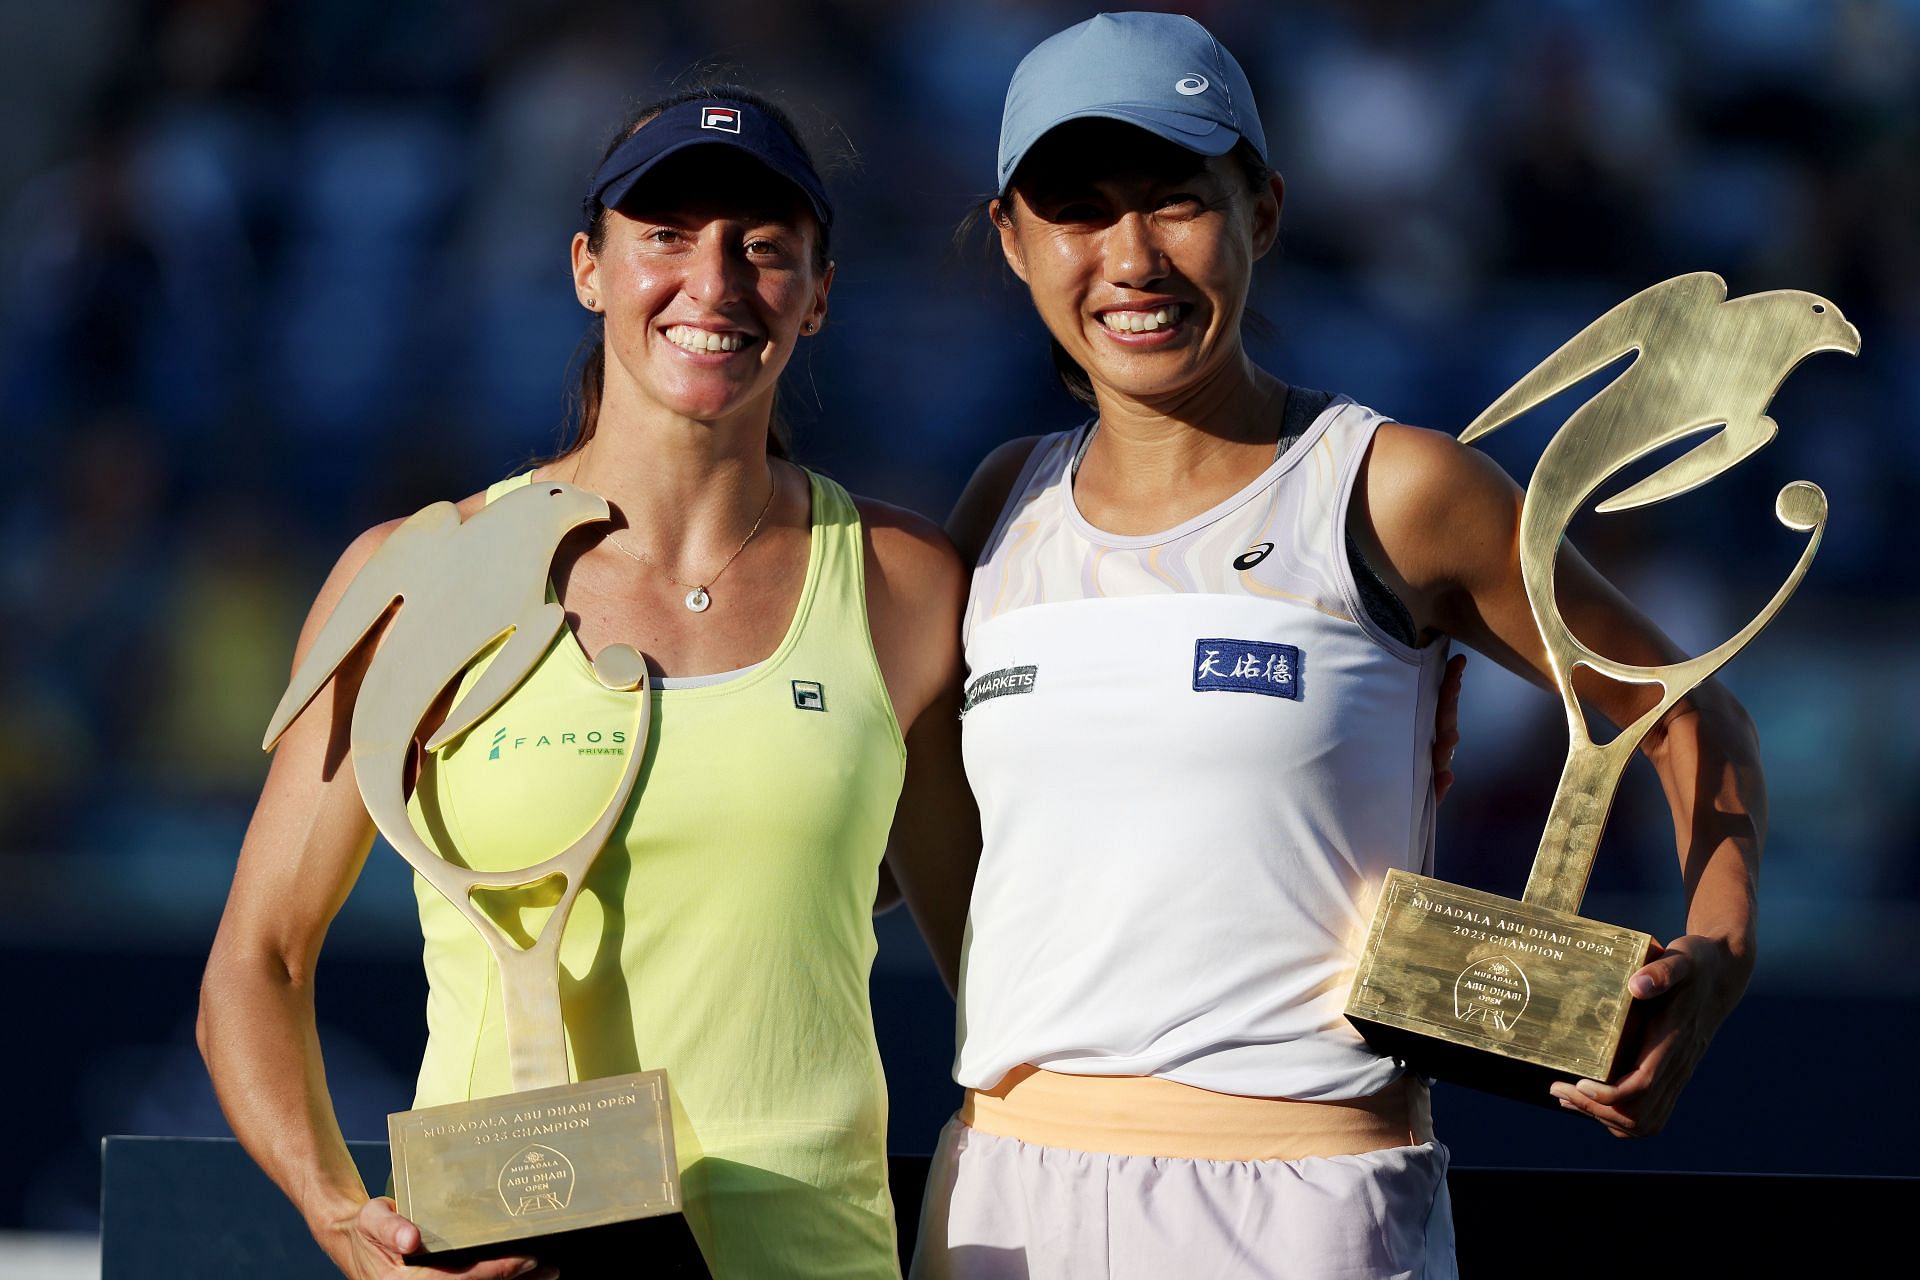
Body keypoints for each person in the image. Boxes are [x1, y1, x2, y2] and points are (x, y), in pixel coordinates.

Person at [902, 14, 1767, 1278]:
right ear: (1012, 241)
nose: (1132, 258)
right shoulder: (999, 503)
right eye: (1079, 210)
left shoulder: (1393, 487)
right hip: (1003, 1193)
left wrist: (1719, 955)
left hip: (1305, 1202)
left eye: (1177, 202)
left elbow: (1689, 714)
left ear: (1262, 209)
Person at [197, 85, 971, 1280]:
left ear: (819, 296)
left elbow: (1004, 955)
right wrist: (342, 1216)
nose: (712, 283)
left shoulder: (909, 584)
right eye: (665, 236)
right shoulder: (416, 576)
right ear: (587, 268)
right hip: (499, 1258)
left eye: (763, 249)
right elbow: (260, 959)